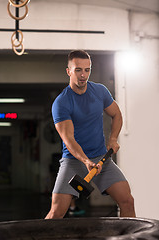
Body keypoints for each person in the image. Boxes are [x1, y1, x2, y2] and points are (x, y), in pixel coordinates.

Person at [45, 50, 136, 219]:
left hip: (102, 158)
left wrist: (113, 138)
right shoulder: (62, 103)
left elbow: (116, 114)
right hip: (74, 160)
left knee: (127, 201)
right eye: (78, 70)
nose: (83, 75)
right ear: (69, 71)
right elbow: (69, 139)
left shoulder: (100, 91)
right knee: (56, 213)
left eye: (87, 70)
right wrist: (86, 160)